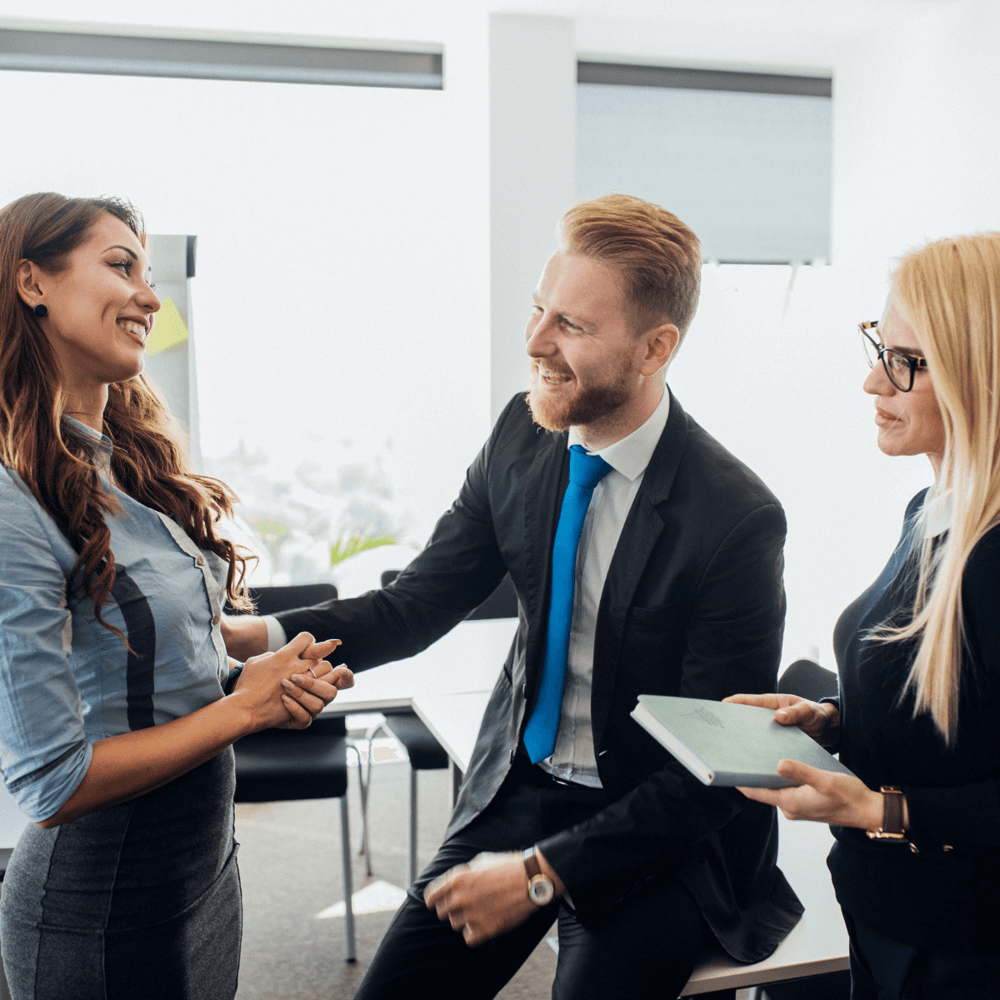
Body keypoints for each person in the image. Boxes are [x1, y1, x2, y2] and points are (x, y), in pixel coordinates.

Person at [224, 193, 802, 998]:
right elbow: (417, 603)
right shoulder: (520, 437)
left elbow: (709, 770)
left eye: (571, 325)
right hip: (524, 787)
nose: (534, 342)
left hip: (656, 826)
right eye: (539, 310)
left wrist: (541, 874)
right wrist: (253, 635)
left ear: (655, 347)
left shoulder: (735, 518)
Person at [0, 192, 352, 1000]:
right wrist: (246, 710)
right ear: (32, 282)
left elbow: (179, 629)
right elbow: (52, 783)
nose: (151, 297)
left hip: (201, 867)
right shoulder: (11, 500)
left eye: (149, 273)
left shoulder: (127, 467)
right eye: (120, 266)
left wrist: (280, 653)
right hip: (98, 905)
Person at [728, 234, 1000, 997]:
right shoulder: (931, 509)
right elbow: (956, 715)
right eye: (882, 346)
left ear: (985, 377)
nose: (872, 382)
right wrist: (833, 720)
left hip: (962, 948)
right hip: (889, 915)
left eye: (906, 362)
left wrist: (882, 808)